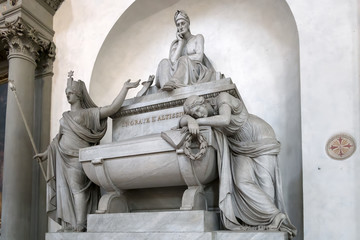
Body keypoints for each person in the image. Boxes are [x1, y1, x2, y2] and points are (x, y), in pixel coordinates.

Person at [180, 93, 297, 238]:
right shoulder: (205, 119)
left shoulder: (222, 98)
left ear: (203, 102)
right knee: (241, 181)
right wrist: (190, 120)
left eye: (198, 110)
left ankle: (271, 221)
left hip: (260, 136)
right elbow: (181, 120)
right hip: (239, 146)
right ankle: (274, 215)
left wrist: (197, 121)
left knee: (264, 180)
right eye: (195, 114)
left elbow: (225, 119)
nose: (198, 114)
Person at [34, 72, 140, 232]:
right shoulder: (66, 116)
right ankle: (70, 224)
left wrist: (125, 88)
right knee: (66, 191)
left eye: (70, 93)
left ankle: (80, 224)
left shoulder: (88, 113)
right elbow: (58, 139)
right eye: (66, 93)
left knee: (78, 190)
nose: (68, 96)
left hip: (77, 157)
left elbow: (111, 109)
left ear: (78, 94)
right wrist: (46, 153)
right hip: (62, 157)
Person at [155, 10, 215, 91]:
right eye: (178, 25)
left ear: (188, 24)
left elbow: (199, 57)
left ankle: (174, 82)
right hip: (177, 70)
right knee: (164, 62)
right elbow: (172, 61)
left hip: (194, 71)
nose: (180, 26)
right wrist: (180, 43)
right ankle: (165, 88)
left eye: (183, 23)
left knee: (184, 59)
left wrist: (183, 59)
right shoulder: (175, 44)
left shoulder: (198, 37)